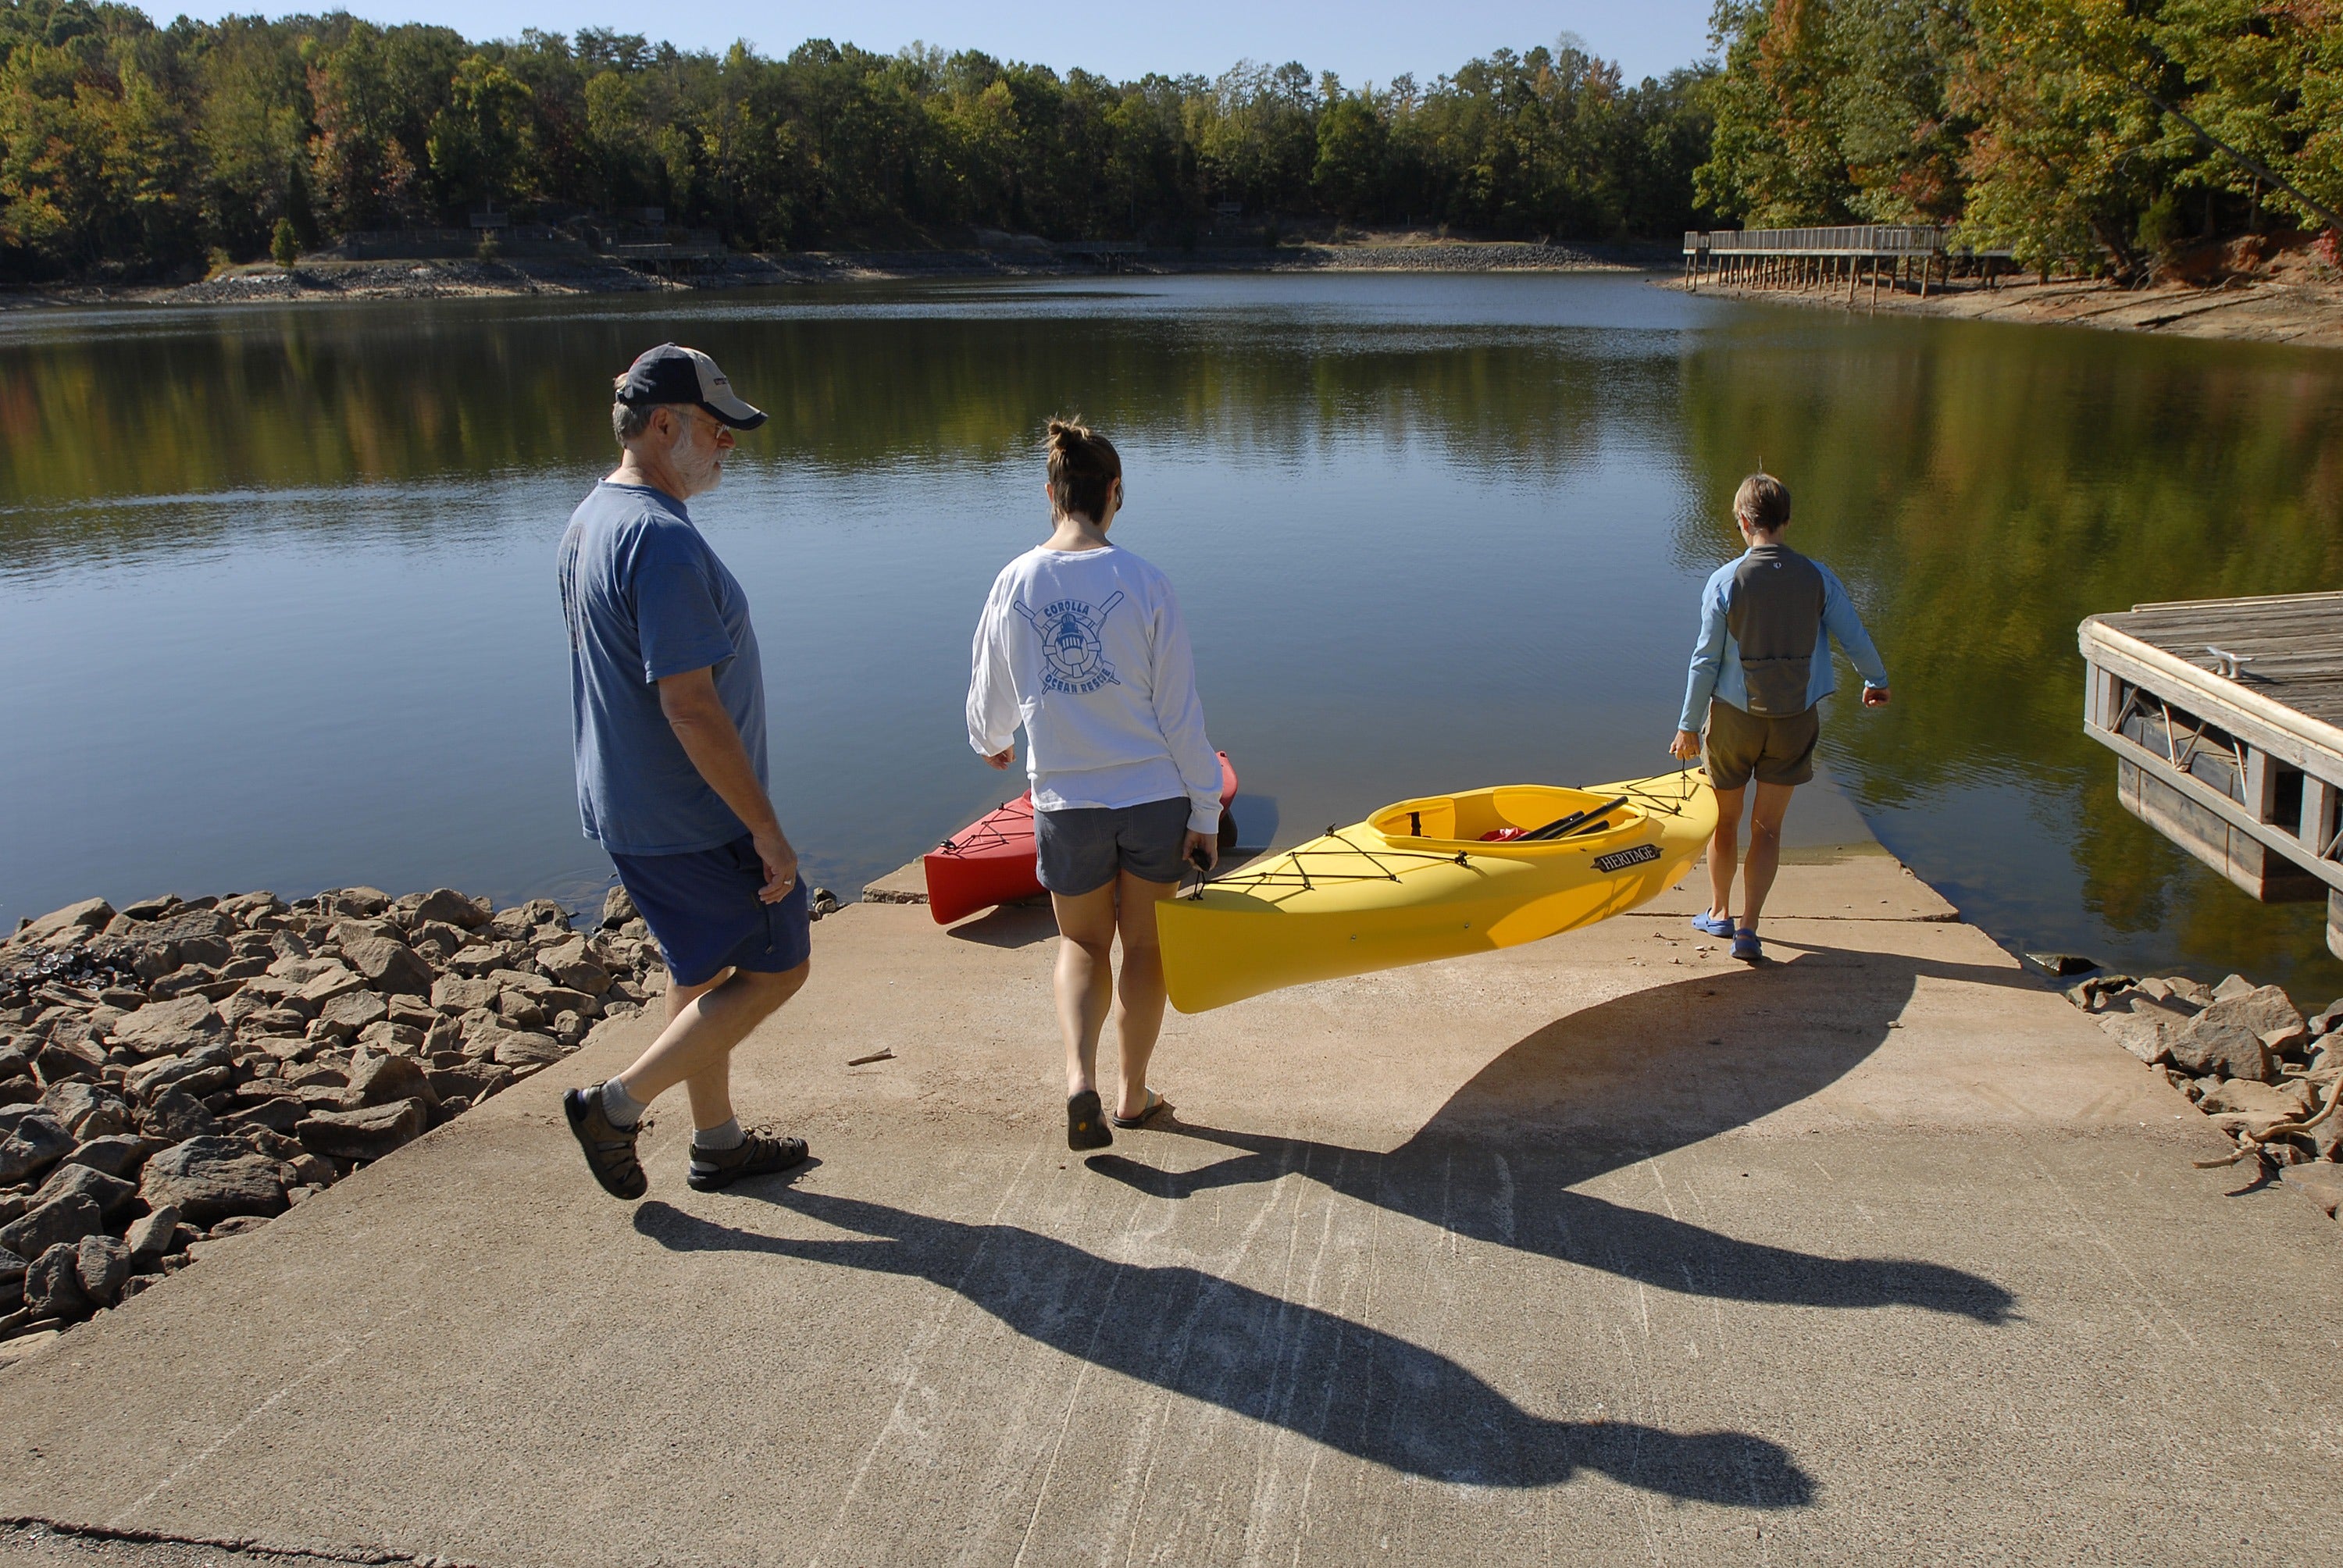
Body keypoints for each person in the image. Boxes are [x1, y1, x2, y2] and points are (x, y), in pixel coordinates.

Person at [556, 342, 812, 1199]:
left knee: (698, 967)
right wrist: (766, 829)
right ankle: (616, 1108)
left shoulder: (593, 517)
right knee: (780, 965)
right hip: (692, 816)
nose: (729, 445)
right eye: (717, 427)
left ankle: (719, 1143)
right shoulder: (660, 543)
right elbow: (690, 705)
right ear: (664, 424)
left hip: (628, 803)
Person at [967, 417, 1223, 1151]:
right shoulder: (1146, 583)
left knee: (1082, 945)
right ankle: (1133, 1096)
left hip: (1066, 802)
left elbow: (988, 696)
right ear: (1115, 493)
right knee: (1145, 950)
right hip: (1153, 798)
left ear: (1051, 492)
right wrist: (1204, 807)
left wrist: (993, 742)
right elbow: (1181, 715)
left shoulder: (1014, 581)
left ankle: (1078, 1081)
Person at [1671, 472, 1890, 964]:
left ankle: (1720, 912)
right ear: (1786, 521)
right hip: (1794, 720)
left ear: (1744, 522)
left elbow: (1705, 659)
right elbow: (1853, 634)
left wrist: (1687, 725)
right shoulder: (1818, 577)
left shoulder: (1725, 581)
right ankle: (1750, 930)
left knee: (1724, 823)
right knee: (1767, 828)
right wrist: (1876, 681)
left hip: (1732, 720)